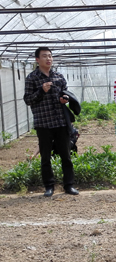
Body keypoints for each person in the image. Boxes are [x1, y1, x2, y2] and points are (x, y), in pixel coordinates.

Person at [23, 47, 78, 197]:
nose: (48, 59)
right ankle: (49, 186)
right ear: (37, 60)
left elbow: (65, 93)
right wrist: (41, 91)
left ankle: (69, 185)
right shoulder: (32, 78)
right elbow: (28, 100)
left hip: (60, 122)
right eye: (44, 56)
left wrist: (65, 99)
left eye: (50, 56)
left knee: (66, 156)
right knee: (45, 157)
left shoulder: (59, 76)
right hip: (43, 123)